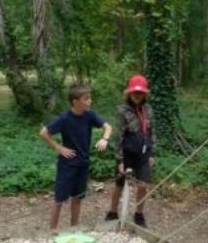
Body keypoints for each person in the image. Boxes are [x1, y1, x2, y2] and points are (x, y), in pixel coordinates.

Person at [39, 84, 112, 230]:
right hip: (67, 165)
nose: (90, 101)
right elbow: (43, 133)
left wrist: (105, 139)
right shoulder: (64, 118)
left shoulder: (89, 115)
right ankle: (52, 231)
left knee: (78, 197)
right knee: (59, 200)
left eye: (90, 98)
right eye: (86, 99)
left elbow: (108, 127)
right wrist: (58, 147)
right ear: (75, 101)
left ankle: (74, 228)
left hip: (83, 163)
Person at [104, 74, 156, 227]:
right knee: (119, 184)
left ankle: (139, 214)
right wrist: (119, 160)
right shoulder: (122, 110)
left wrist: (152, 153)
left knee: (143, 185)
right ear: (129, 93)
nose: (137, 95)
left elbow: (152, 132)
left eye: (140, 93)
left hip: (143, 154)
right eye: (134, 92)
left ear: (145, 94)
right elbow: (118, 136)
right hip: (126, 154)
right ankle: (113, 212)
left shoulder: (148, 109)